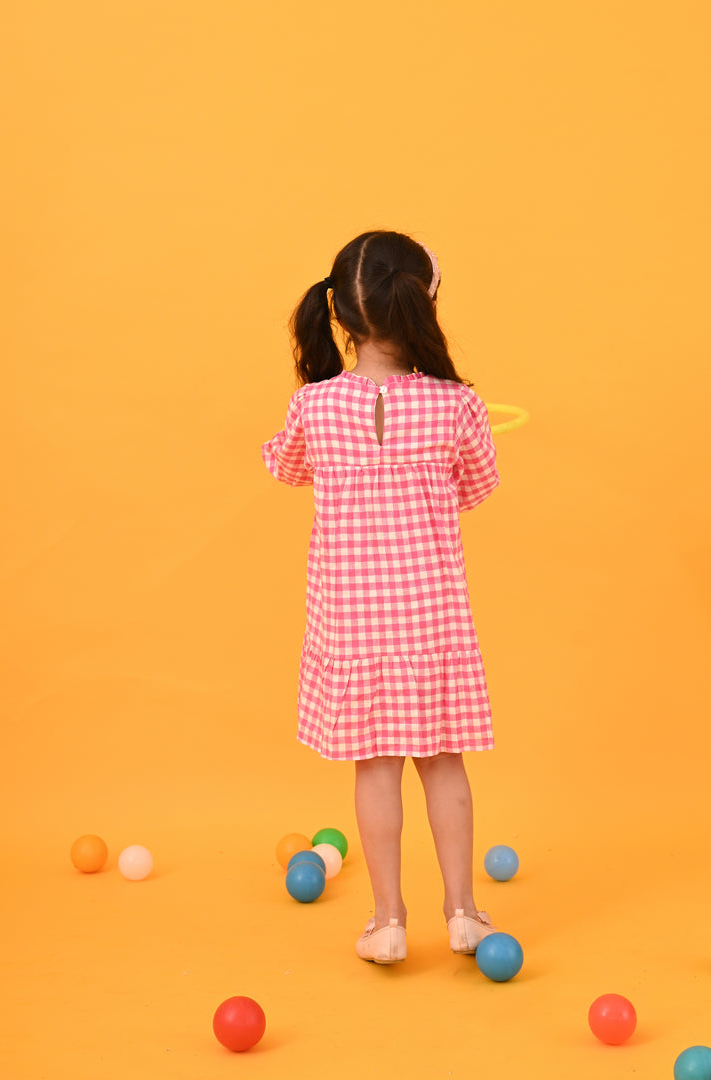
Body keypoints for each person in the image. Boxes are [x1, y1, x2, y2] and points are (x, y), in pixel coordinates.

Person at [262, 230, 502, 965]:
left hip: (355, 627)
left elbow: (284, 466)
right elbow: (479, 485)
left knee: (375, 768)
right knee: (443, 764)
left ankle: (389, 921)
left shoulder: (314, 407)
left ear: (339, 314)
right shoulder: (457, 405)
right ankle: (462, 912)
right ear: (424, 305)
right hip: (431, 621)